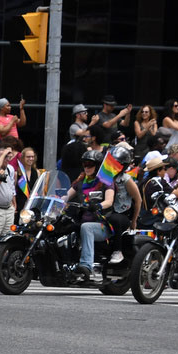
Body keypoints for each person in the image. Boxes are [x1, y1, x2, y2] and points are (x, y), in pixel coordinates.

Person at [62, 149, 114, 279]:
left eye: (90, 164)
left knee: (87, 227)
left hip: (102, 224)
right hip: (83, 221)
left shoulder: (106, 181)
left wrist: (98, 206)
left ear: (98, 166)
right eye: (84, 164)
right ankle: (65, 264)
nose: (87, 167)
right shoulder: (81, 181)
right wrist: (53, 200)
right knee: (64, 225)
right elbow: (66, 196)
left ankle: (86, 266)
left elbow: (109, 201)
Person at [60, 105, 95, 181]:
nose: (86, 114)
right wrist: (92, 123)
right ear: (78, 115)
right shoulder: (73, 127)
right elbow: (83, 133)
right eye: (84, 112)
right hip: (76, 154)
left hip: (85, 151)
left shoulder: (86, 125)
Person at [14, 146, 41, 211]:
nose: (31, 159)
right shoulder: (17, 174)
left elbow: (39, 190)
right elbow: (13, 191)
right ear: (23, 158)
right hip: (21, 206)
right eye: (28, 157)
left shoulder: (37, 172)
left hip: (33, 206)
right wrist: (14, 205)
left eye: (32, 157)